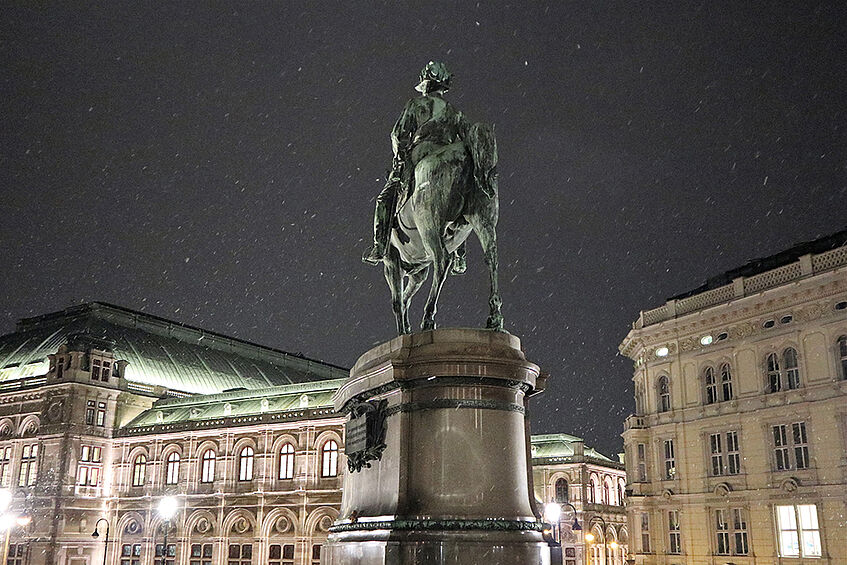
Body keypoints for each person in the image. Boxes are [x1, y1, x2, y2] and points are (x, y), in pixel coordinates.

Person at [362, 61, 470, 273]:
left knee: (385, 199)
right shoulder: (454, 112)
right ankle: (460, 255)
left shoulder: (415, 105)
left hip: (419, 155)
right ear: (443, 87)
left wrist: (400, 156)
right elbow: (466, 140)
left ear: (425, 85)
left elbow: (398, 134)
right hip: (448, 158)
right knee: (459, 198)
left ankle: (380, 246)